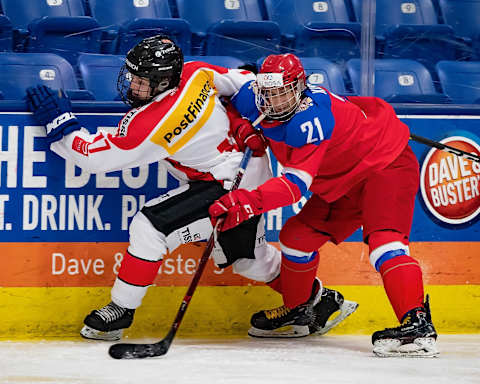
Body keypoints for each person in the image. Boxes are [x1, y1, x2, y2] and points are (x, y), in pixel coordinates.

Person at [25, 35, 355, 341]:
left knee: (149, 227)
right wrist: (240, 124)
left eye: (142, 80)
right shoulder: (197, 73)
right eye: (133, 76)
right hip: (248, 168)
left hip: (227, 182)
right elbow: (243, 82)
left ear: (164, 80)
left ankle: (120, 311)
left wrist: (62, 128)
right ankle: (320, 301)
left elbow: (96, 159)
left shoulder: (151, 123)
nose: (133, 85)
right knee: (249, 260)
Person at [209, 53, 438, 357]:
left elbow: (293, 186)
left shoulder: (309, 119)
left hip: (385, 166)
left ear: (300, 88)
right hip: (340, 181)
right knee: (296, 239)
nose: (275, 101)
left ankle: (416, 324)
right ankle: (300, 312)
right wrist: (241, 125)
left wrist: (248, 202)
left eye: (283, 92)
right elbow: (213, 84)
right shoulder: (253, 97)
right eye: (269, 93)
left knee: (385, 244)